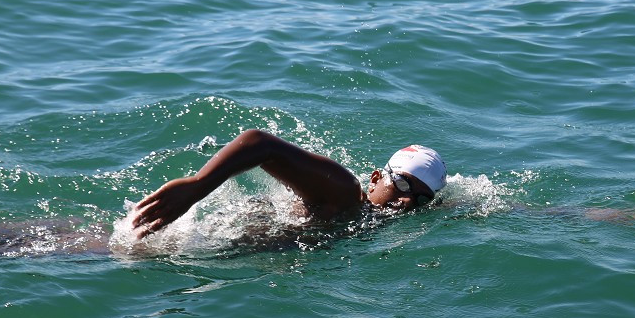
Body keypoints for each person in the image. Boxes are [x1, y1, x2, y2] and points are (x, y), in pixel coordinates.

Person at [131, 129, 447, 239]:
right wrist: (197, 186)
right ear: (377, 177)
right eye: (403, 186)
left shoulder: (374, 219)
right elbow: (260, 144)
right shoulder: (344, 193)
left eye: (420, 199)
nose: (406, 203)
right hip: (189, 242)